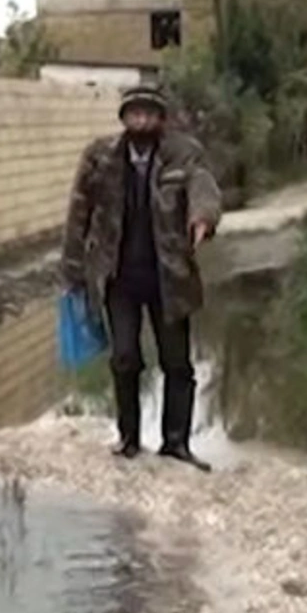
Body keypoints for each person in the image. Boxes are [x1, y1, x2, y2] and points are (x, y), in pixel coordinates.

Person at [61, 84, 222, 471]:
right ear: (124, 119)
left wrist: (203, 218)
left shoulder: (183, 153)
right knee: (125, 357)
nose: (142, 121)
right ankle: (129, 438)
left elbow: (203, 188)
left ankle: (176, 444)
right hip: (119, 277)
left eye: (150, 114)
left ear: (161, 120)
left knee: (177, 364)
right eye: (135, 114)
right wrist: (72, 270)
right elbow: (78, 212)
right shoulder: (99, 157)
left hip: (170, 276)